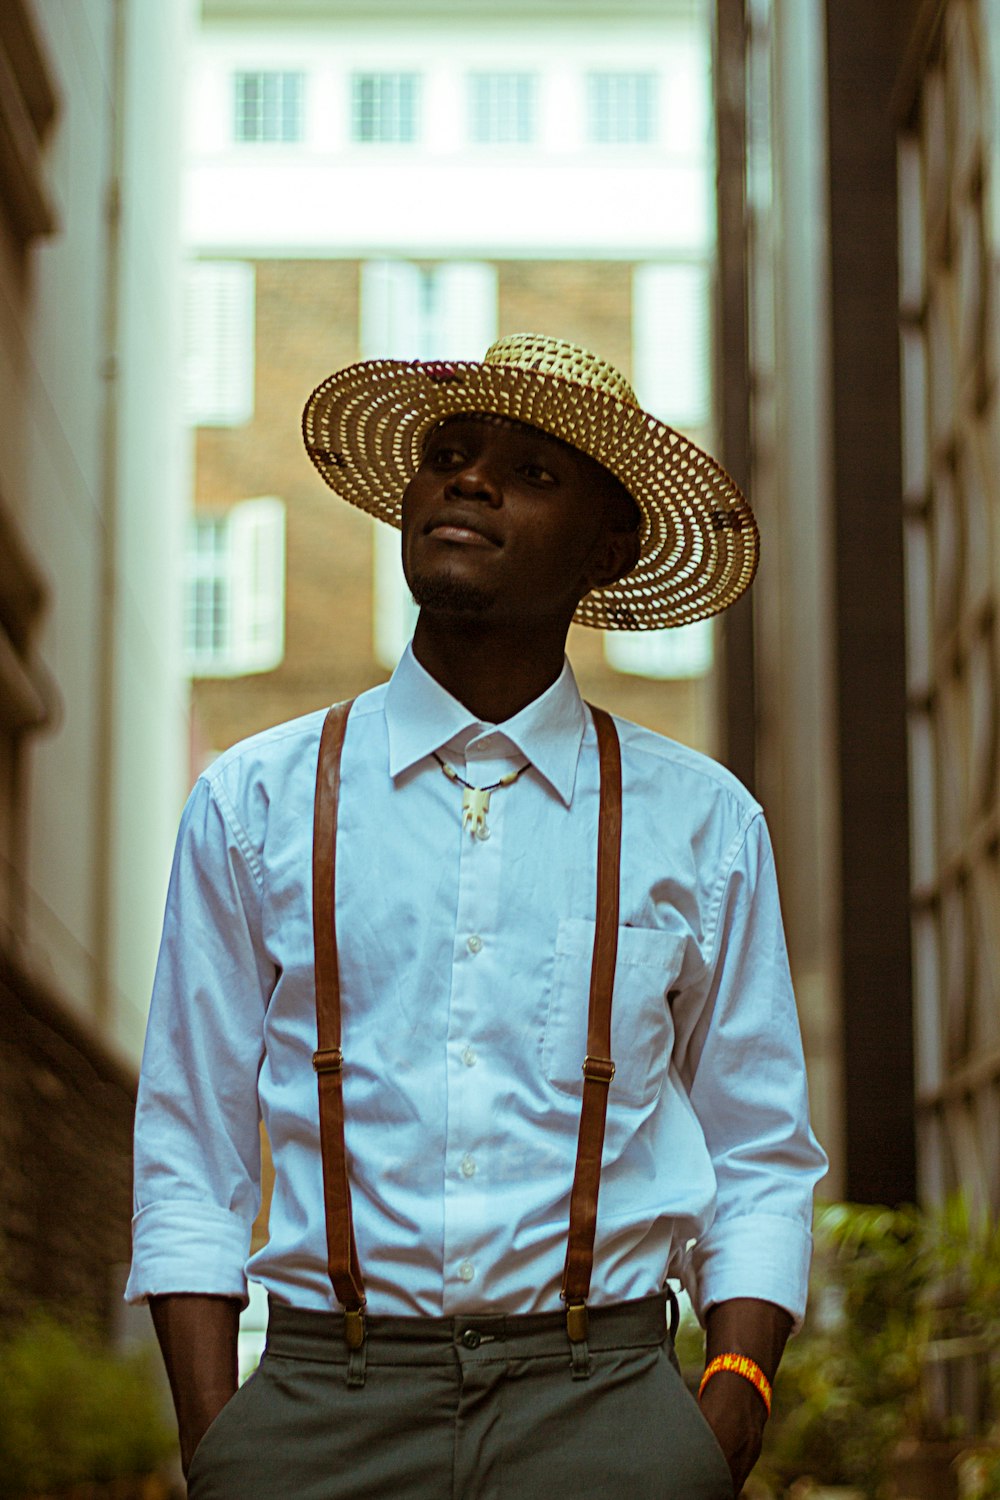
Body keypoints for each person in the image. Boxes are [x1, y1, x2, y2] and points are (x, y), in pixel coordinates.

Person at [127, 334, 827, 1499]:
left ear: (610, 546)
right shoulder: (253, 802)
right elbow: (188, 1148)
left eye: (531, 471)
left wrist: (730, 1406)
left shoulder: (701, 822)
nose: (467, 480)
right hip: (318, 1406)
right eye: (447, 453)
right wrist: (219, 1444)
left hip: (608, 1404)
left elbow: (759, 1149)